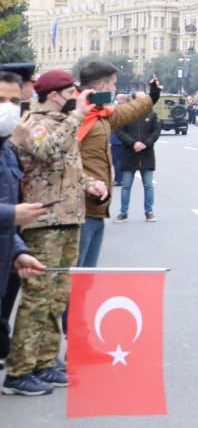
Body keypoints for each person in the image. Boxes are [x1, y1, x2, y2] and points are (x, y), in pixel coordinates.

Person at [3, 70, 98, 396]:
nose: (78, 96)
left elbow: (69, 168)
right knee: (37, 298)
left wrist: (90, 184)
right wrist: (75, 118)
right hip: (44, 221)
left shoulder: (63, 121)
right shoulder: (37, 121)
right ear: (56, 94)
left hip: (68, 218)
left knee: (57, 297)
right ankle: (19, 370)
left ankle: (44, 362)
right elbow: (46, 152)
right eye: (72, 90)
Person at [74, 63, 159, 269]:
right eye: (113, 84)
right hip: (78, 207)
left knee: (85, 277)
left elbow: (125, 113)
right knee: (75, 277)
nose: (115, 89)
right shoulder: (75, 115)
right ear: (102, 85)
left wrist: (152, 97)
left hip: (96, 206)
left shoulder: (99, 113)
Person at [0, 71, 47, 374]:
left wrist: (17, 252)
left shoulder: (6, 148)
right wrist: (11, 216)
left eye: (14, 101)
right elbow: (8, 212)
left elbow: (7, 205)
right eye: (1, 100)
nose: (8, 107)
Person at [115, 105, 160, 222]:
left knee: (149, 185)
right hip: (130, 153)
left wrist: (146, 143)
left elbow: (156, 132)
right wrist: (133, 143)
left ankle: (149, 211)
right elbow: (119, 131)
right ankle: (123, 213)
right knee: (126, 186)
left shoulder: (152, 114)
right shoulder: (125, 115)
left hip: (147, 154)